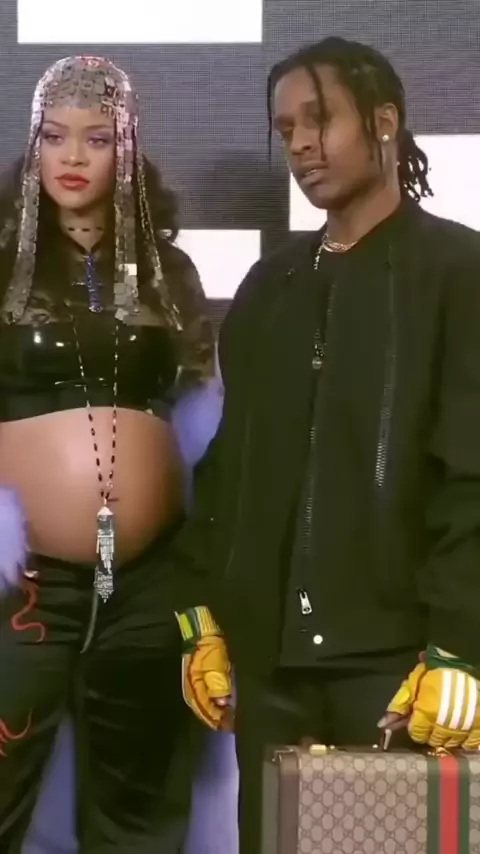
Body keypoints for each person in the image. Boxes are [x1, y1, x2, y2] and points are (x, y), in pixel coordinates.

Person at [167, 36, 480, 853]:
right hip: (268, 666)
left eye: (320, 119)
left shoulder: (459, 271)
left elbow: (471, 473)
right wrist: (203, 614)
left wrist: (462, 646)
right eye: (286, 130)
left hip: (398, 667)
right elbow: (229, 468)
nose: (302, 144)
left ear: (384, 122)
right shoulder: (270, 286)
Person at [0, 55, 217, 852]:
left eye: (97, 139)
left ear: (127, 153)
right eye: (54, 136)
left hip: (147, 586)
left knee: (140, 811)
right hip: (24, 586)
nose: (72, 156)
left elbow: (201, 407)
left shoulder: (168, 270)